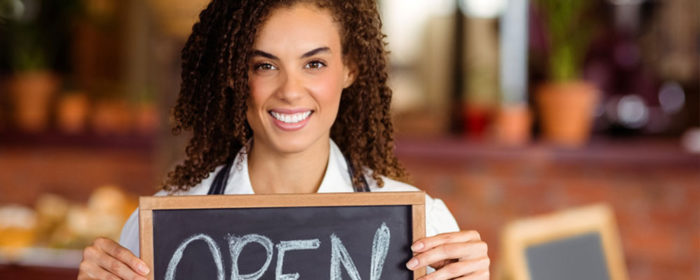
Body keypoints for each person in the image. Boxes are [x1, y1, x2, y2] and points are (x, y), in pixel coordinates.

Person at [78, 1, 489, 279]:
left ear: (351, 68)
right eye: (265, 65)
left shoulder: (423, 228)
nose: (291, 91)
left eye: (314, 63)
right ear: (234, 76)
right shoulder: (159, 229)